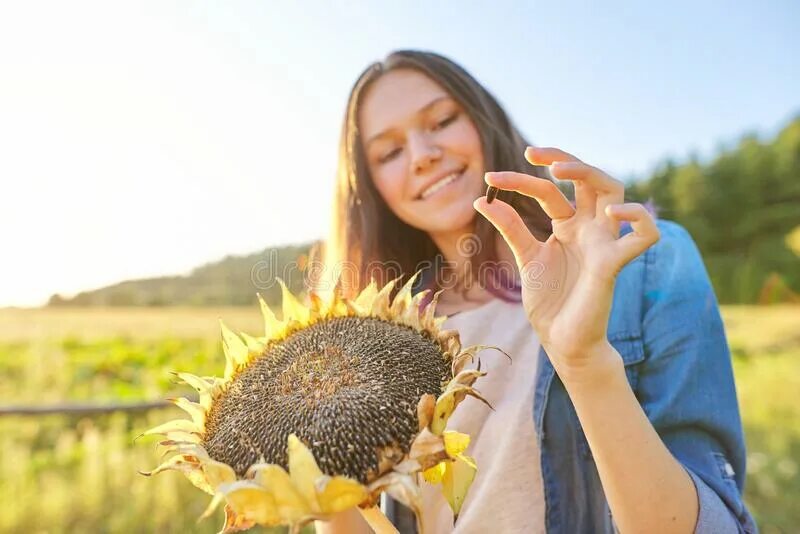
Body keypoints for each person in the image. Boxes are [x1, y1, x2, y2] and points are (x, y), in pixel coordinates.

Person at [315, 50, 757, 533]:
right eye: (389, 153)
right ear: (370, 186)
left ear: (483, 120)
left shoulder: (645, 263)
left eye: (441, 121)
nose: (422, 155)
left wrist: (585, 363)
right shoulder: (377, 340)